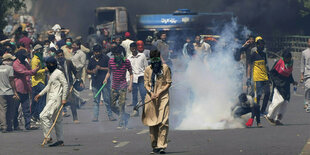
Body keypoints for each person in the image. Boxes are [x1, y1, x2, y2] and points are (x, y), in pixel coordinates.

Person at [142, 50, 172, 154]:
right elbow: (146, 84)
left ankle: (162, 145)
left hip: (163, 97)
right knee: (152, 122)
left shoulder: (165, 68)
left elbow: (168, 82)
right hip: (150, 98)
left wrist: (159, 92)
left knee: (163, 122)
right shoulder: (147, 69)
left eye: (156, 58)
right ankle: (154, 145)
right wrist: (151, 93)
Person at [35, 57, 68, 147]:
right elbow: (48, 86)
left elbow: (65, 84)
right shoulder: (52, 73)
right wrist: (40, 94)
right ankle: (60, 140)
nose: (46, 67)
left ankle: (48, 137)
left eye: (48, 65)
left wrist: (64, 98)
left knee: (43, 116)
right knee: (57, 120)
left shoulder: (58, 73)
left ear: (52, 64)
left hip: (55, 98)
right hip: (51, 98)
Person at [103, 46, 133, 128]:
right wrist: (106, 79)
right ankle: (125, 116)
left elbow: (131, 73)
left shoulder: (126, 62)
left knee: (121, 104)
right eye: (115, 54)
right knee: (112, 105)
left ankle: (121, 123)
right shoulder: (111, 61)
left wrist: (130, 85)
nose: (116, 56)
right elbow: (109, 72)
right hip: (114, 86)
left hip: (123, 86)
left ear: (121, 54)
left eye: (118, 54)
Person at [265, 50, 297, 125]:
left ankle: (278, 119)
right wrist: (275, 82)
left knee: (285, 102)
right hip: (278, 84)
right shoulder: (279, 63)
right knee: (279, 100)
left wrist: (292, 81)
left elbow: (289, 74)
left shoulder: (290, 63)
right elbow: (272, 73)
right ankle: (269, 116)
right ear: (283, 57)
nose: (287, 59)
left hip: (286, 85)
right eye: (286, 58)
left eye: (289, 58)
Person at [87, 45, 116, 121]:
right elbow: (87, 70)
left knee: (107, 100)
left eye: (99, 52)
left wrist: (101, 68)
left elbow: (111, 68)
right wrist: (92, 71)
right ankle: (95, 116)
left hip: (105, 83)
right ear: (94, 52)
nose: (97, 53)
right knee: (96, 101)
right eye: (96, 52)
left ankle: (110, 116)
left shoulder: (106, 58)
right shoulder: (91, 60)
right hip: (95, 83)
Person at [13, 49, 39, 130]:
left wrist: (34, 70)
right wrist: (33, 71)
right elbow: (23, 72)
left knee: (26, 108)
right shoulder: (15, 64)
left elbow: (30, 70)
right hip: (18, 88)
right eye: (24, 55)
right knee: (15, 109)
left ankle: (28, 125)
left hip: (26, 87)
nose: (25, 56)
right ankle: (15, 125)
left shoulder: (25, 63)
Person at [247, 37, 270, 115]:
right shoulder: (253, 54)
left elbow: (266, 65)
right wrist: (248, 77)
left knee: (267, 93)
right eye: (260, 45)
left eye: (263, 45)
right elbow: (249, 66)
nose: (262, 47)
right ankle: (256, 110)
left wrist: (269, 74)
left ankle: (263, 110)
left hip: (265, 77)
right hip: (257, 77)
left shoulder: (264, 54)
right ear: (257, 45)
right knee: (258, 95)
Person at [0, 53, 19, 132]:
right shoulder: (10, 68)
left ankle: (3, 126)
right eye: (11, 60)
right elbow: (12, 80)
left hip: (1, 92)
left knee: (2, 110)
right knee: (10, 110)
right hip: (9, 92)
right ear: (7, 60)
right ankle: (9, 126)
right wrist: (15, 91)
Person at [128, 43, 148, 117]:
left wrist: (147, 79)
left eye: (134, 47)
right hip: (133, 79)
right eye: (131, 47)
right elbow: (128, 71)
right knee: (134, 96)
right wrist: (128, 82)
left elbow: (146, 67)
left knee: (143, 94)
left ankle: (145, 111)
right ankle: (135, 111)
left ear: (136, 48)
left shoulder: (142, 56)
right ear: (130, 49)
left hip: (141, 77)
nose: (133, 49)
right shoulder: (129, 58)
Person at [31, 44, 48, 123]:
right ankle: (38, 115)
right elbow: (34, 72)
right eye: (40, 50)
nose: (42, 51)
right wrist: (44, 70)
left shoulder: (40, 59)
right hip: (37, 82)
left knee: (38, 99)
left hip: (42, 80)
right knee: (41, 99)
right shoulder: (35, 60)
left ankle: (35, 115)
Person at [300, 38, 310, 111]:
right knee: (308, 88)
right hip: (308, 73)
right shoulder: (304, 52)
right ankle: (306, 102)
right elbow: (302, 64)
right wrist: (302, 75)